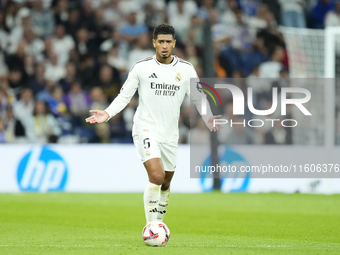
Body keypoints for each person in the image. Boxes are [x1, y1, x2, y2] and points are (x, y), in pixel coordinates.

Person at [85, 24, 221, 224]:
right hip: (146, 128)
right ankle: (152, 226)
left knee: (166, 182)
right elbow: (124, 96)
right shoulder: (142, 67)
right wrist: (107, 113)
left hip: (170, 133)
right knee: (156, 176)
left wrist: (208, 117)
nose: (164, 46)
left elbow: (199, 97)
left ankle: (159, 221)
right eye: (161, 42)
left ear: (174, 44)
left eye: (168, 42)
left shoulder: (186, 69)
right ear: (154, 43)